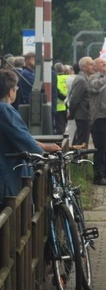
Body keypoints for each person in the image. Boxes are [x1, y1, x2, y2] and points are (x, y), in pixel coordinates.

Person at [0, 69, 60, 197]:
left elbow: (19, 134)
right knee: (15, 210)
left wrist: (44, 146)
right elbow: (22, 138)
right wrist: (43, 155)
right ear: (11, 91)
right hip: (7, 174)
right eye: (16, 88)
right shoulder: (5, 109)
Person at [67, 57, 95, 146]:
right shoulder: (81, 80)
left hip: (85, 114)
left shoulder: (86, 79)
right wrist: (72, 113)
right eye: (90, 64)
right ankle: (77, 158)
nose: (93, 66)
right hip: (83, 115)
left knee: (82, 140)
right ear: (83, 67)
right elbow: (74, 99)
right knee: (81, 142)